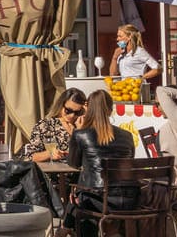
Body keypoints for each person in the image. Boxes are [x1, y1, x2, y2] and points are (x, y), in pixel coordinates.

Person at [65, 89, 136, 237]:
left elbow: (73, 164)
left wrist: (78, 130)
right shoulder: (128, 136)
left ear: (88, 109)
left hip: (99, 199)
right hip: (130, 198)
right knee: (78, 195)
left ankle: (65, 229)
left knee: (77, 198)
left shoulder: (81, 134)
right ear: (110, 110)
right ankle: (65, 228)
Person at [20, 87, 89, 163]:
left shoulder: (83, 125)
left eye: (77, 112)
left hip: (79, 173)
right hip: (53, 172)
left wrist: (81, 131)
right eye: (68, 110)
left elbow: (93, 154)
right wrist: (50, 153)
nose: (72, 115)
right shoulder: (46, 125)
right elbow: (30, 157)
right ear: (60, 105)